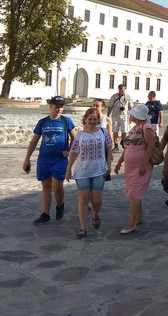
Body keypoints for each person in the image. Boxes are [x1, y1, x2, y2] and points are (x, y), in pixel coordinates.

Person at [23, 96, 77, 224]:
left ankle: (60, 205)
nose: (59, 109)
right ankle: (45, 214)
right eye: (56, 107)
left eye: (61, 107)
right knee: (46, 187)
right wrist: (27, 159)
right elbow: (34, 141)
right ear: (50, 106)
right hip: (44, 159)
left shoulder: (66, 121)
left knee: (57, 186)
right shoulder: (43, 122)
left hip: (59, 160)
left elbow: (75, 138)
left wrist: (69, 151)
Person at [65, 107, 113, 237]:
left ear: (98, 120)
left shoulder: (103, 132)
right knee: (83, 199)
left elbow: (109, 148)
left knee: (96, 200)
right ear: (85, 119)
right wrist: (68, 169)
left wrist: (109, 165)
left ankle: (95, 213)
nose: (92, 121)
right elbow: (73, 152)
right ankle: (83, 227)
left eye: (95, 119)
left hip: (99, 170)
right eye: (90, 119)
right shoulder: (79, 134)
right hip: (82, 171)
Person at [114, 103, 156, 234]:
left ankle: (131, 222)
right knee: (134, 192)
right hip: (130, 167)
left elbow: (151, 145)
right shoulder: (134, 128)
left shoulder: (146, 127)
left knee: (135, 192)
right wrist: (120, 161)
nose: (130, 115)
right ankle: (139, 216)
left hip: (140, 166)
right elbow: (128, 146)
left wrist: (144, 163)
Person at [107, 84, 134, 151]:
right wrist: (108, 115)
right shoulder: (114, 96)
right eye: (120, 90)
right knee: (115, 131)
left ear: (125, 89)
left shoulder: (128, 97)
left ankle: (122, 141)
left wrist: (131, 117)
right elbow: (110, 106)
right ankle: (116, 145)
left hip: (124, 116)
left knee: (125, 131)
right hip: (115, 116)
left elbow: (130, 107)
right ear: (118, 89)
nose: (121, 91)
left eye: (123, 90)